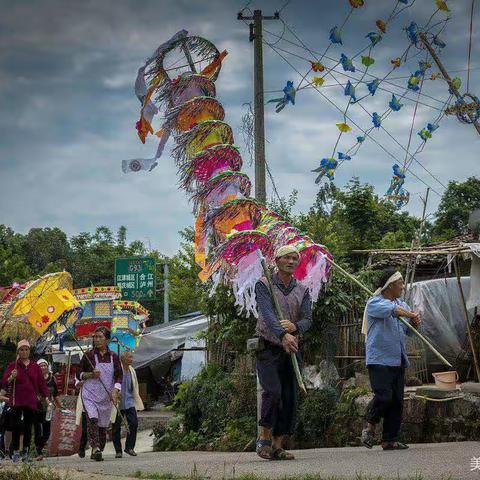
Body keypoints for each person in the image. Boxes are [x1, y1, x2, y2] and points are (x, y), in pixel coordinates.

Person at [254, 245, 312, 461]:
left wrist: (294, 328)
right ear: (277, 261)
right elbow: (267, 313)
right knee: (273, 391)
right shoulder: (264, 284)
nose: (291, 261)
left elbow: (308, 319)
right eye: (287, 258)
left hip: (292, 348)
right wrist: (282, 334)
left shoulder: (303, 289)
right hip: (268, 347)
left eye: (295, 258)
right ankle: (264, 438)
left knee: (289, 397)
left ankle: (278, 446)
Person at [360, 271, 422, 451]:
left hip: (398, 359)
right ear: (390, 285)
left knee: (396, 401)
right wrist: (409, 314)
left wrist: (416, 321)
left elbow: (410, 331)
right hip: (379, 359)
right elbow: (392, 311)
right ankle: (369, 426)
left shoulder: (402, 304)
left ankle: (389, 439)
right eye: (400, 283)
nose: (403, 286)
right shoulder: (374, 302)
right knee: (384, 396)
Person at [77, 327, 122, 461]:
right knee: (92, 419)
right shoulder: (88, 356)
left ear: (107, 340)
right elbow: (78, 374)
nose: (96, 339)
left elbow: (119, 376)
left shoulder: (114, 356)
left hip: (106, 396)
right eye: (95, 337)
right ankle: (95, 448)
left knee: (102, 426)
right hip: (90, 394)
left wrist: (115, 390)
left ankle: (98, 448)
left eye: (100, 337)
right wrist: (90, 374)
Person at [1, 339, 49, 462]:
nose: (24, 351)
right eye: (21, 349)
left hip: (31, 400)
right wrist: (12, 376)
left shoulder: (35, 366)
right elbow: (5, 382)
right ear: (18, 351)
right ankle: (16, 450)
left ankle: (25, 451)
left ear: (29, 351)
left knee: (28, 426)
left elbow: (41, 384)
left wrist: (46, 399)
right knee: (15, 426)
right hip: (16, 400)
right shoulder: (13, 365)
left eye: (26, 349)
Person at [112, 351, 144, 458]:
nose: (131, 359)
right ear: (123, 359)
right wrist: (115, 393)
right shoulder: (117, 370)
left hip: (129, 402)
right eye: (129, 357)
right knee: (116, 427)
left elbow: (134, 386)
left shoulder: (132, 371)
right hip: (118, 403)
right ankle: (118, 450)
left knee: (133, 424)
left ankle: (129, 447)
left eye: (131, 357)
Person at [33, 359, 62, 461]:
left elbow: (55, 394)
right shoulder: (34, 378)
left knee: (46, 432)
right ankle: (38, 451)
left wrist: (60, 405)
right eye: (41, 366)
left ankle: (39, 447)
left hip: (48, 408)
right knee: (38, 430)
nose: (43, 367)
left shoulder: (52, 378)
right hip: (36, 407)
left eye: (45, 365)